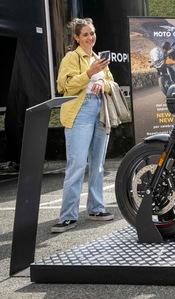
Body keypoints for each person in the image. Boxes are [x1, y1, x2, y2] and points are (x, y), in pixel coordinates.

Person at [52, 18, 114, 233]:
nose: (90, 37)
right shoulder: (71, 57)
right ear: (77, 38)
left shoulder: (99, 58)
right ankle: (68, 216)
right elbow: (65, 86)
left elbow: (111, 83)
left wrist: (102, 82)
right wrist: (89, 73)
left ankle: (96, 208)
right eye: (85, 34)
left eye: (92, 33)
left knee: (98, 165)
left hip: (101, 111)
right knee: (77, 165)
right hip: (80, 112)